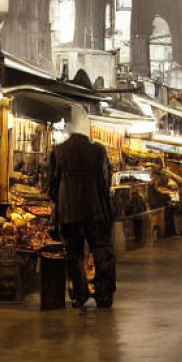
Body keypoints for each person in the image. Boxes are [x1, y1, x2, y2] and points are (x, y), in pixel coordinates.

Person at [47, 105, 115, 308]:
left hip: (68, 213)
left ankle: (79, 293)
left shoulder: (58, 151)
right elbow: (106, 181)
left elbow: (51, 187)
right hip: (96, 210)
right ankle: (104, 295)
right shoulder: (99, 151)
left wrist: (61, 199)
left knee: (74, 254)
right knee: (102, 252)